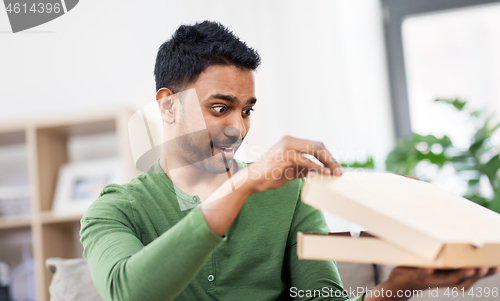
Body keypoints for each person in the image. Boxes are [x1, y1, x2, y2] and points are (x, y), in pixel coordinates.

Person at [80, 21, 499, 301]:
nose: (238, 129)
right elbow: (129, 292)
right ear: (168, 107)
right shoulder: (115, 209)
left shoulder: (290, 197)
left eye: (246, 110)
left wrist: (397, 287)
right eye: (220, 108)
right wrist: (243, 185)